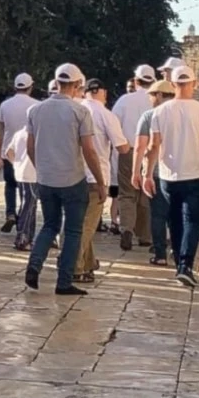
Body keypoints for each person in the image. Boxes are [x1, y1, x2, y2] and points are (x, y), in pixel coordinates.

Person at [23, 64, 105, 296]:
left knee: (49, 225)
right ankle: (64, 281)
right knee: (72, 231)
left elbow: (30, 147)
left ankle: (34, 265)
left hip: (46, 179)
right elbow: (89, 150)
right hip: (73, 179)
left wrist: (42, 169)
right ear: (78, 85)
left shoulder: (36, 110)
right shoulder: (80, 112)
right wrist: (100, 181)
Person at [146, 65, 199, 288]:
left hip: (169, 175)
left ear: (172, 84)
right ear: (193, 84)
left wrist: (147, 174)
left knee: (174, 219)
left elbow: (153, 146)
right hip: (195, 174)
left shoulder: (159, 112)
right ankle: (185, 265)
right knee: (192, 220)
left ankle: (179, 261)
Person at [75, 79, 130, 284]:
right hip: (95, 177)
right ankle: (74, 267)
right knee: (87, 226)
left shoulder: (75, 109)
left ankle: (88, 264)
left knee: (79, 222)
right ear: (101, 91)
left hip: (72, 175)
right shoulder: (105, 114)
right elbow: (122, 147)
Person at [112, 64, 157, 250]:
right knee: (146, 193)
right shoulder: (156, 100)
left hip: (128, 150)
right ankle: (145, 235)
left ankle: (127, 228)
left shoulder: (124, 100)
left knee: (127, 193)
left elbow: (114, 125)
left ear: (136, 80)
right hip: (151, 150)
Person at [133, 80, 176, 267]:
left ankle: (160, 254)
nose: (150, 99)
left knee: (158, 215)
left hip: (157, 172)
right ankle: (177, 251)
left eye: (151, 95)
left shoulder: (149, 116)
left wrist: (137, 172)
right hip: (180, 172)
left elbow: (140, 146)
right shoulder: (182, 114)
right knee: (176, 214)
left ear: (158, 95)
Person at [0, 72, 37, 233]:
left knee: (10, 184)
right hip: (28, 150)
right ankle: (23, 214)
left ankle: (10, 213)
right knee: (26, 187)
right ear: (30, 87)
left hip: (9, 150)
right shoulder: (36, 105)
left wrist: (0, 151)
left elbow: (1, 128)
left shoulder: (5, 105)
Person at [3, 121, 38, 251]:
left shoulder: (19, 133)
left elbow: (8, 152)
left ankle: (27, 237)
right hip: (32, 174)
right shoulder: (36, 134)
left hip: (21, 173)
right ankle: (23, 237)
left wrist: (16, 164)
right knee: (28, 207)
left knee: (28, 205)